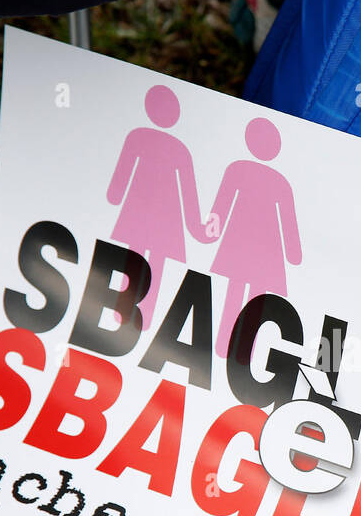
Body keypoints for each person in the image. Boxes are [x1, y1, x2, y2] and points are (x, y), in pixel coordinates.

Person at [106, 84, 212, 328]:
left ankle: (129, 316)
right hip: (162, 215)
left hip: (146, 212)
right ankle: (139, 318)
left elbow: (121, 178)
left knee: (137, 259)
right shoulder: (178, 148)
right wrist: (196, 225)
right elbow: (188, 193)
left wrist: (114, 196)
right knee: (151, 263)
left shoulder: (142, 137)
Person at [207, 117, 303, 356]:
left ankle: (226, 345)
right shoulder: (279, 182)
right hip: (260, 247)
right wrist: (293, 254)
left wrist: (211, 231)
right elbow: (288, 222)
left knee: (240, 291)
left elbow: (222, 205)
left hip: (244, 244)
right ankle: (235, 347)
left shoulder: (240, 169)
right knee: (250, 295)